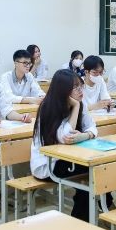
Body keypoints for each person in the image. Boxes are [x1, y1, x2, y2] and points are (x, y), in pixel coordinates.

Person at [29, 69, 100, 221]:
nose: (80, 91)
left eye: (81, 86)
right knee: (93, 173)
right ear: (63, 90)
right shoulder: (48, 108)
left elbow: (93, 127)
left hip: (68, 158)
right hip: (48, 165)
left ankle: (86, 215)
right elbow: (66, 136)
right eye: (75, 88)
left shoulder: (82, 104)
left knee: (98, 170)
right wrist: (75, 108)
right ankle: (84, 218)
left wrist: (85, 135)